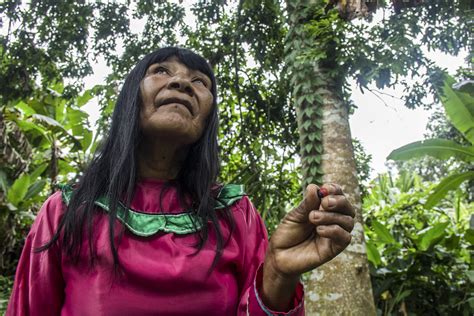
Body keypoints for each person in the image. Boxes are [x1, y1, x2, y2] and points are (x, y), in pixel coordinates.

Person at [6, 47, 355, 315]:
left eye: (199, 82)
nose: (182, 83)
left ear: (207, 118)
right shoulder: (67, 210)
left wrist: (278, 274)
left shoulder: (235, 213)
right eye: (161, 71)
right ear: (131, 98)